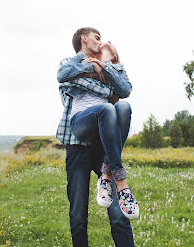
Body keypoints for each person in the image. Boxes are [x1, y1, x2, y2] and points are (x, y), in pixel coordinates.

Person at [56, 27, 135, 247]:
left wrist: (106, 67)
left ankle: (116, 180)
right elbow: (67, 78)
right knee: (78, 214)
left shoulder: (109, 66)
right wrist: (106, 86)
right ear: (84, 38)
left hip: (103, 146)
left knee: (119, 215)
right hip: (77, 144)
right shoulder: (69, 63)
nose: (101, 42)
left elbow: (125, 90)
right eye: (97, 38)